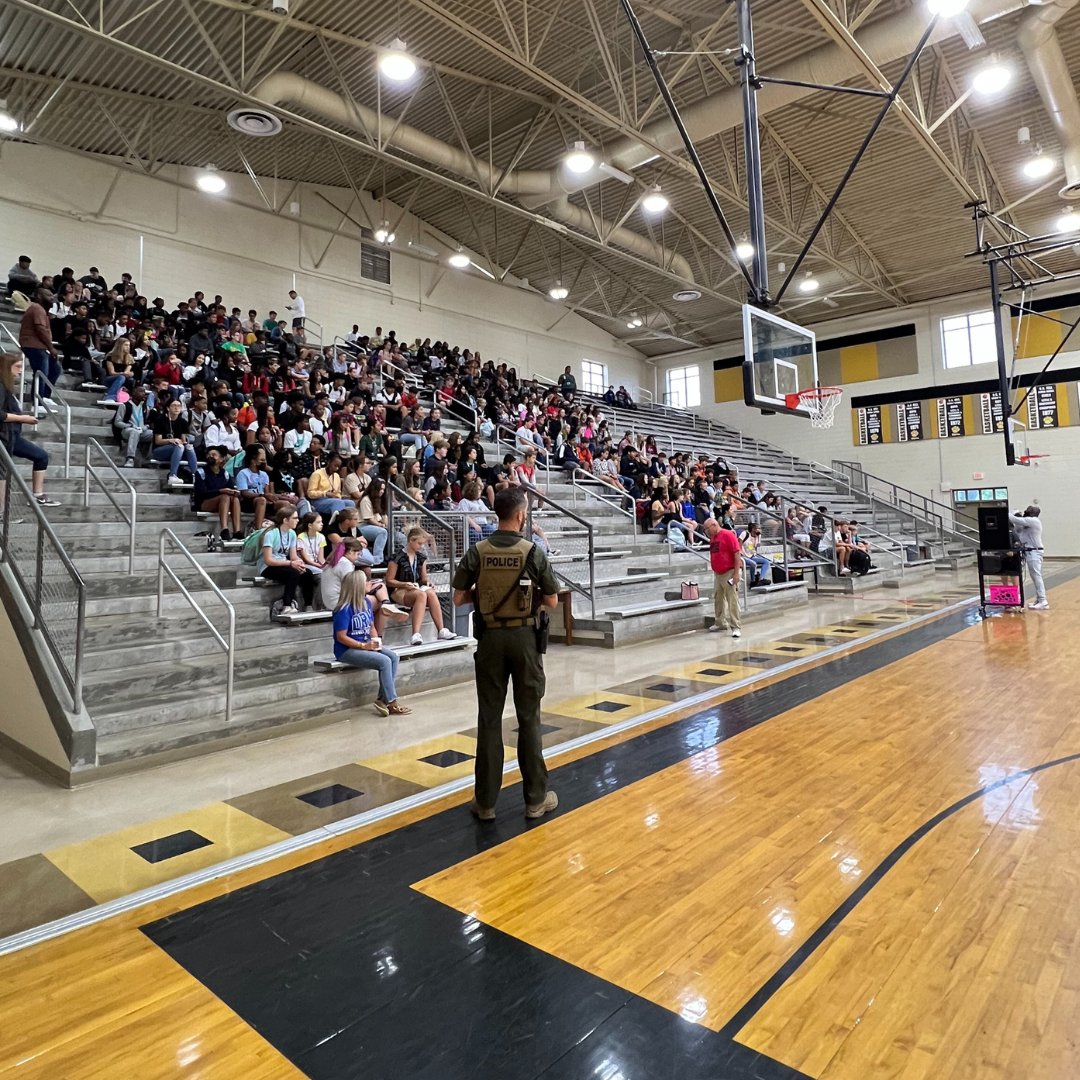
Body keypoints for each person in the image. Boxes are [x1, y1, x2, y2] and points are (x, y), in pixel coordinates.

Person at [452, 487, 560, 822]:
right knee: (529, 719)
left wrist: (486, 593)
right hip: (524, 640)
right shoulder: (532, 551)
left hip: (490, 641)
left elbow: (457, 599)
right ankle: (535, 799)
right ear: (520, 515)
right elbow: (553, 601)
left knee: (489, 719)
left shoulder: (478, 551)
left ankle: (485, 802)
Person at [332, 571, 411, 716]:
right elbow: (341, 637)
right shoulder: (343, 609)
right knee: (384, 661)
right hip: (346, 650)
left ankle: (382, 699)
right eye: (366, 581)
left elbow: (371, 627)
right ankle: (391, 702)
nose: (370, 583)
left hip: (364, 644)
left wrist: (376, 642)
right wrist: (363, 646)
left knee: (393, 656)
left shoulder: (367, 602)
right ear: (357, 586)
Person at [0, 354, 61, 506]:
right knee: (2, 473)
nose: (21, 370)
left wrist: (23, 416)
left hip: (12, 436)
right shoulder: (1, 386)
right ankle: (1, 511)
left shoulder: (7, 386)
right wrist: (23, 419)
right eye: (18, 367)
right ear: (7, 367)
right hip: (4, 436)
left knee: (41, 456)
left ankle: (37, 495)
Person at [385, 526, 457, 646]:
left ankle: (441, 629)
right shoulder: (397, 557)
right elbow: (389, 580)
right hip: (399, 590)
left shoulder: (421, 558)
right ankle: (415, 634)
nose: (421, 546)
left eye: (422, 544)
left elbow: (424, 579)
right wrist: (404, 584)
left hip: (415, 588)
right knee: (421, 594)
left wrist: (429, 583)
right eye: (419, 543)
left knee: (430, 592)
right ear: (411, 540)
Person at [260, 505, 316, 614]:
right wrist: (291, 563)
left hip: (284, 564)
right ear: (285, 520)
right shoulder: (270, 534)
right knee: (293, 573)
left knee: (307, 573)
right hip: (269, 567)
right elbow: (268, 560)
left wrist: (299, 562)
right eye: (295, 518)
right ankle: (287, 605)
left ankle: (308, 605)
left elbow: (293, 555)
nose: (298, 520)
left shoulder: (292, 534)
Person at [19, 288, 60, 407]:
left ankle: (45, 396)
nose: (52, 298)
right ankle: (37, 402)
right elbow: (41, 329)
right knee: (41, 372)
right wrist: (51, 347)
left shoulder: (41, 310)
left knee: (55, 369)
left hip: (39, 346)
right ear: (39, 296)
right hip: (33, 345)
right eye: (49, 295)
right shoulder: (37, 308)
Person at [194, 446, 242, 541]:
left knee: (234, 499)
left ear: (221, 459)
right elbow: (202, 493)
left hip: (222, 502)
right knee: (224, 497)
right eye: (209, 455)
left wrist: (234, 492)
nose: (210, 456)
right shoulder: (201, 472)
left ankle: (237, 531)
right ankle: (224, 529)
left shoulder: (225, 473)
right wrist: (221, 491)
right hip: (204, 502)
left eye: (214, 455)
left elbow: (231, 488)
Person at [704, 518, 742, 637]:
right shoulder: (713, 537)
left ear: (714, 525)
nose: (706, 531)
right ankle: (720, 622)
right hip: (718, 573)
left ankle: (735, 626)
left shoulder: (728, 535)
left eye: (707, 529)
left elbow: (737, 554)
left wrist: (736, 574)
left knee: (732, 600)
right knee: (718, 598)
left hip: (729, 572)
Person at [151, 397, 198, 486]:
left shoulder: (183, 422)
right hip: (160, 450)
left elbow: (183, 440)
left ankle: (195, 476)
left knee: (189, 447)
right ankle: (172, 475)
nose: (177, 408)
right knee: (179, 446)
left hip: (178, 449)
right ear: (168, 408)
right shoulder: (160, 420)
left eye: (179, 406)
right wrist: (171, 440)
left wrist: (185, 443)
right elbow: (158, 441)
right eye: (174, 406)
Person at [1009, 504, 1048, 610]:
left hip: (1034, 552)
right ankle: (1039, 600)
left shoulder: (1034, 520)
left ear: (1033, 513)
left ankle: (1043, 600)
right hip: (1029, 552)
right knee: (1034, 576)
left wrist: (1009, 513)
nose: (1026, 511)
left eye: (1028, 510)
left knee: (1036, 576)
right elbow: (1018, 530)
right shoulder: (1027, 523)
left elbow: (1014, 519)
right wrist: (1017, 517)